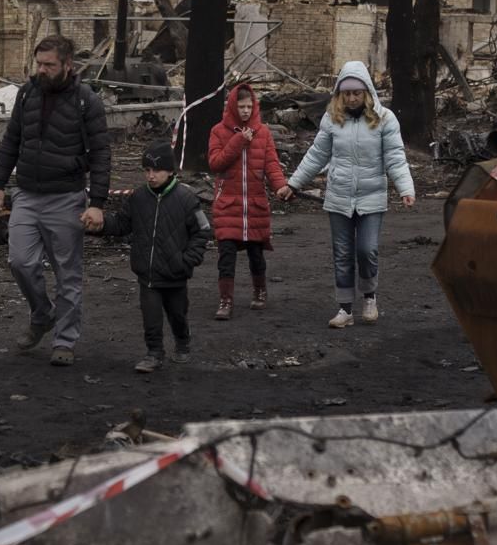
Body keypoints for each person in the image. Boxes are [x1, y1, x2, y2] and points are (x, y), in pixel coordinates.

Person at [0, 36, 112, 366]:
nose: (42, 70)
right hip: (27, 194)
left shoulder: (87, 101)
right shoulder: (27, 94)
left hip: (67, 198)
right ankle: (42, 314)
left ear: (67, 65)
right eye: (39, 63)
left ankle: (65, 340)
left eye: (49, 65)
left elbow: (101, 154)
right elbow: (12, 138)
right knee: (20, 262)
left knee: (67, 274)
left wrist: (96, 202)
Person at [284, 61, 416, 328]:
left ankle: (369, 297)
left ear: (366, 92)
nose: (352, 97)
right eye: (347, 93)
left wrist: (405, 188)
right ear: (340, 94)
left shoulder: (385, 119)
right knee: (342, 253)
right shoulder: (332, 119)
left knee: (367, 250)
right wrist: (293, 184)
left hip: (371, 197)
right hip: (339, 197)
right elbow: (317, 155)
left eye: (357, 92)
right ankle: (345, 309)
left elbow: (395, 157)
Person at [102, 141, 211, 372]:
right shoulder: (138, 198)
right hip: (147, 275)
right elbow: (122, 224)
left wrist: (188, 260)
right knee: (151, 318)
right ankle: (154, 353)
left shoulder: (186, 199)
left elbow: (202, 231)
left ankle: (182, 342)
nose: (151, 176)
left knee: (177, 315)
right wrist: (100, 223)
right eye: (147, 170)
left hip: (175, 275)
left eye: (156, 170)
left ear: (170, 171)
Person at [206, 83, 289, 319]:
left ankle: (260, 291)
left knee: (256, 253)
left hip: (255, 205)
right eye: (241, 106)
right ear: (232, 105)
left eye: (248, 106)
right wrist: (238, 141)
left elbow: (271, 164)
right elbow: (215, 163)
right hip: (228, 205)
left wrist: (280, 186)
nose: (245, 111)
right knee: (226, 255)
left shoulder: (263, 132)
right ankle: (225, 301)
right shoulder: (218, 131)